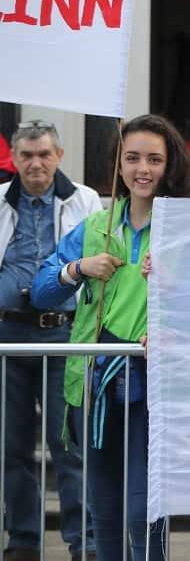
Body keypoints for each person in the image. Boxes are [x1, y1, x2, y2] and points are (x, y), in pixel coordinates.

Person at [31, 115, 190, 561]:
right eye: (133, 158)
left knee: (143, 510)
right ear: (118, 164)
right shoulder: (95, 227)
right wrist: (79, 269)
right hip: (95, 385)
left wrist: (172, 296)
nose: (142, 168)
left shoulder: (188, 230)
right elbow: (41, 289)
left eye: (154, 159)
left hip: (156, 388)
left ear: (171, 166)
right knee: (104, 510)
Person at [0, 120, 100, 561]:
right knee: (12, 444)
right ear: (15, 159)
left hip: (65, 332)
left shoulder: (86, 199)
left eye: (44, 154)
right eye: (26, 155)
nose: (35, 163)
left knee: (69, 444)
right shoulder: (1, 200)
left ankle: (85, 541)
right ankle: (23, 540)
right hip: (7, 334)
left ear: (59, 155)